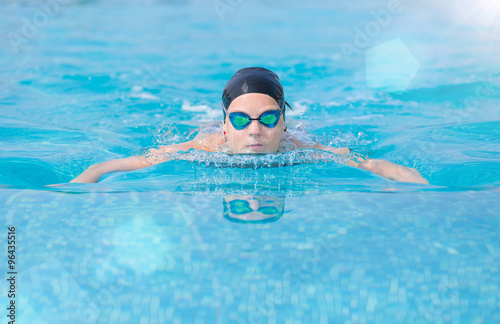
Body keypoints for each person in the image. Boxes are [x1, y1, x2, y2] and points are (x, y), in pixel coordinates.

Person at [68, 67, 429, 184]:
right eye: (240, 120)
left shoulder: (300, 148)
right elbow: (128, 164)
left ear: (283, 124)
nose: (254, 130)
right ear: (226, 126)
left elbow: (369, 164)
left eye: (269, 118)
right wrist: (84, 183)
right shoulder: (204, 147)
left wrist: (425, 190)